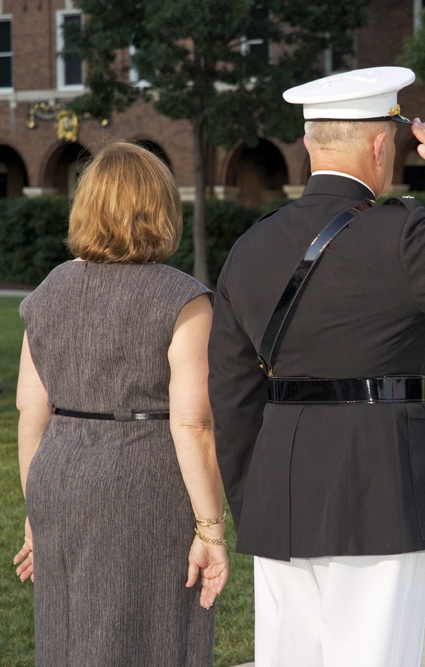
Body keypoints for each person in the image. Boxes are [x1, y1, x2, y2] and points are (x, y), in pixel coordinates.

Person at [207, 66, 425, 667]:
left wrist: (254, 499)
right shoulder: (402, 237)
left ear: (309, 144)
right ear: (380, 145)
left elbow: (233, 394)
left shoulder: (251, 245)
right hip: (376, 479)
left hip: (280, 486)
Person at [13, 141, 229, 665]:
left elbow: (31, 413)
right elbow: (193, 424)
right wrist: (211, 530)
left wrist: (35, 513)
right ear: (160, 207)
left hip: (59, 477)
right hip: (143, 481)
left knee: (69, 640)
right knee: (150, 638)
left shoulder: (48, 290)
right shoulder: (184, 298)